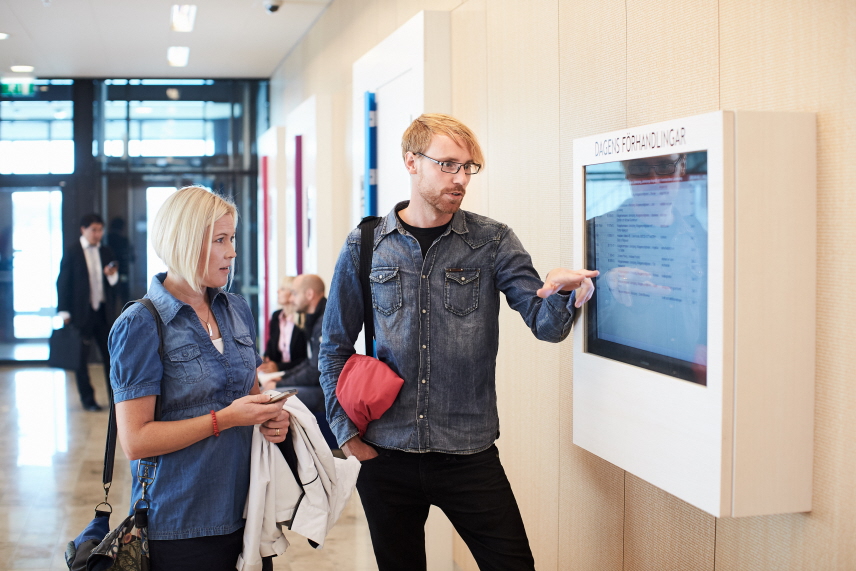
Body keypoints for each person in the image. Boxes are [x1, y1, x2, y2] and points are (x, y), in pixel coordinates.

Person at [319, 113, 599, 570]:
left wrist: (560, 292)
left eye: (468, 167)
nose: (461, 178)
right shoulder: (366, 244)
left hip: (468, 451)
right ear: (412, 162)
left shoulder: (492, 241)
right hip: (386, 452)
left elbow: (545, 326)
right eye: (448, 164)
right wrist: (346, 434)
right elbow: (333, 345)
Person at [108, 186, 290, 571]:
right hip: (180, 523)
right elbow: (136, 440)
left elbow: (251, 398)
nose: (232, 252)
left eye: (233, 238)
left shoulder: (235, 308)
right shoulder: (140, 323)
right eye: (220, 240)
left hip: (248, 511)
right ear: (186, 242)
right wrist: (225, 419)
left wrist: (272, 419)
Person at [57, 213, 118, 411]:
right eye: (94, 230)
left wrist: (111, 275)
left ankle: (116, 400)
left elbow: (113, 282)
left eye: (100, 230)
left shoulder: (106, 251)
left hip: (102, 312)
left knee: (111, 357)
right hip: (80, 313)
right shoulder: (73, 251)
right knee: (80, 360)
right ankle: (88, 399)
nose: (97, 234)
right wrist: (64, 311)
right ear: (83, 229)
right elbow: (63, 283)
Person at [262, 274, 326, 414]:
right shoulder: (314, 320)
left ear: (309, 294)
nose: (291, 299)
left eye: (295, 294)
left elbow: (314, 372)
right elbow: (310, 363)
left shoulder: (323, 323)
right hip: (317, 385)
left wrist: (280, 383)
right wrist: (284, 377)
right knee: (266, 392)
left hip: (326, 392)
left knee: (268, 397)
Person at [258, 276, 307, 374]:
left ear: (293, 293)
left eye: (283, 289)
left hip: (297, 373)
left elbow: (306, 360)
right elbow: (271, 348)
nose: (277, 291)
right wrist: (264, 360)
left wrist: (279, 367)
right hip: (277, 373)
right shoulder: (276, 316)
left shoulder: (303, 319)